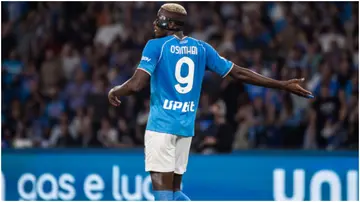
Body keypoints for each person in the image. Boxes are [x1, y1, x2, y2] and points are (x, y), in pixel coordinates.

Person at [108, 3, 313, 201]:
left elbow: (136, 85)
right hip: (184, 129)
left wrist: (116, 90)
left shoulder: (155, 46)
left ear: (171, 25)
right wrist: (282, 84)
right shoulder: (201, 49)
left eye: (159, 19)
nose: (154, 23)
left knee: (163, 197)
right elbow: (240, 73)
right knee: (175, 194)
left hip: (161, 128)